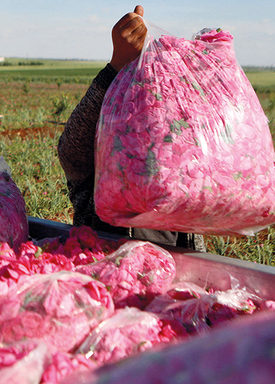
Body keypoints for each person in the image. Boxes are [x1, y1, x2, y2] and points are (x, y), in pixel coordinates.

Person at [56, 5, 206, 251]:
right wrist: (116, 66)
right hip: (105, 264)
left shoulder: (186, 170)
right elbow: (72, 153)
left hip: (178, 270)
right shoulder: (105, 164)